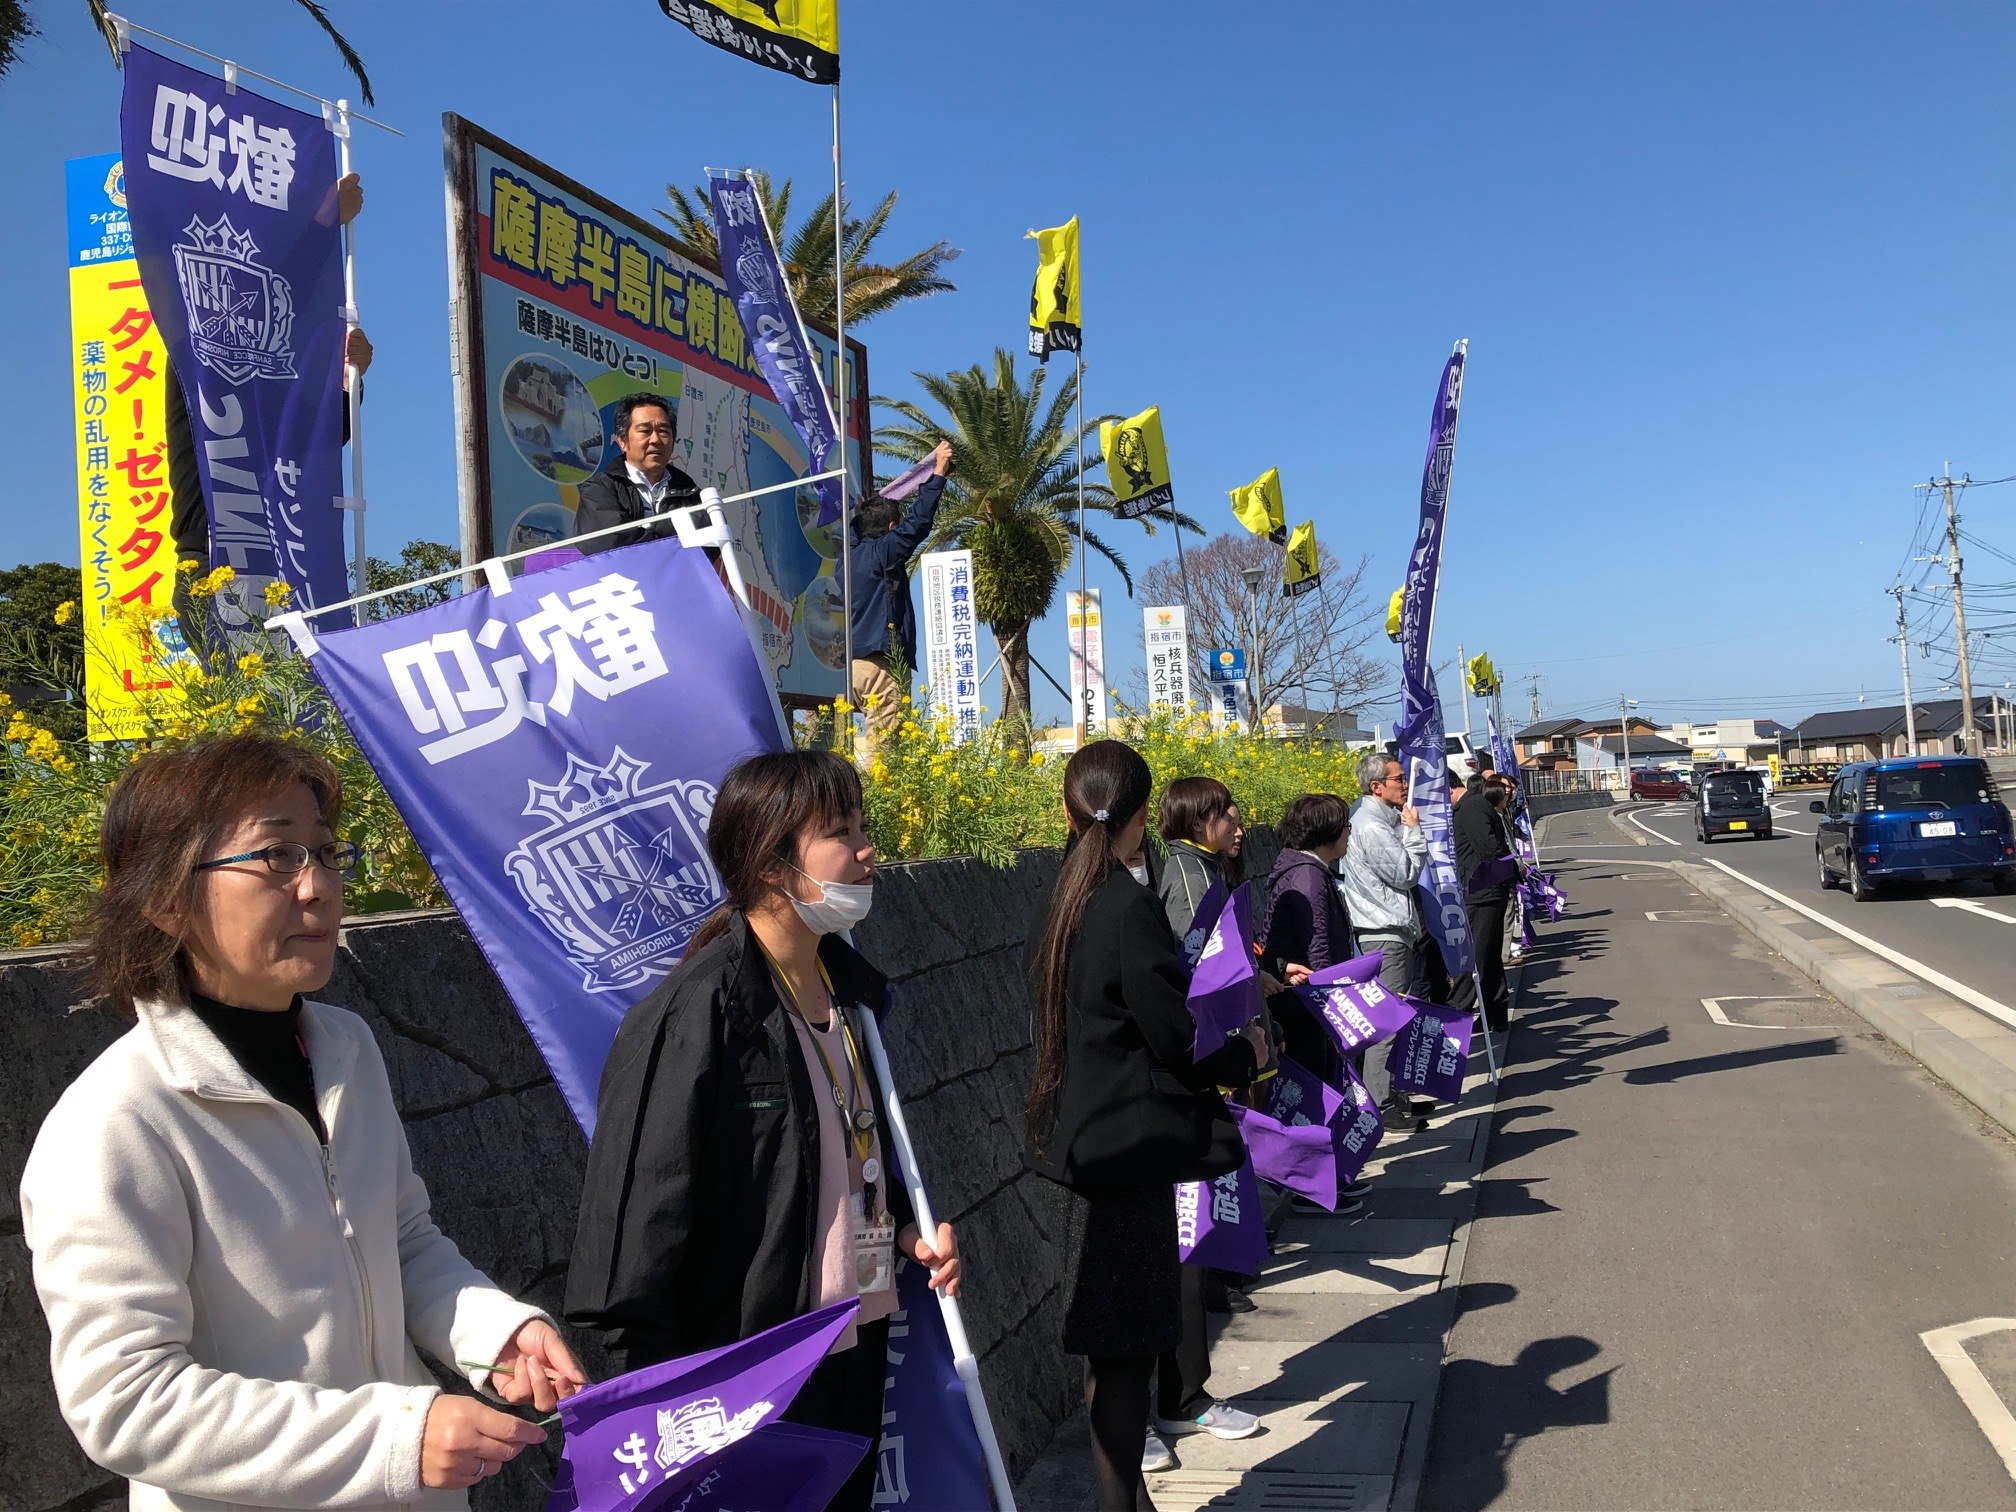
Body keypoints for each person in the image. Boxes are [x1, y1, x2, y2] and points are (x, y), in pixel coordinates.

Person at [20, 733, 584, 1509]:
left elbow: (403, 1240)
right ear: (164, 899)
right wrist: (396, 1438)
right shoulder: (118, 1121)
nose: (316, 886)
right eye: (276, 857)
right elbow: (125, 1403)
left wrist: (495, 1333)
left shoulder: (343, 1048)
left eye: (324, 852)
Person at [566, 750, 959, 1512]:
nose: (867, 849)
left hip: (852, 1343)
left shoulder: (850, 995)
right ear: (773, 866)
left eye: (864, 826)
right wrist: (661, 1415)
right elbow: (632, 1246)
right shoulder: (697, 1015)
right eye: (841, 832)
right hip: (750, 1377)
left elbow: (842, 1160)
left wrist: (909, 1233)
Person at [1026, 740, 1268, 1511]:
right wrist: (1246, 1053)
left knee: (1109, 1348)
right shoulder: (1127, 907)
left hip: (1084, 1146)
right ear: (1139, 819)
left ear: (1070, 812)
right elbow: (1178, 1039)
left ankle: (1127, 1497)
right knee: (1128, 1354)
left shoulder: (1066, 892)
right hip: (1131, 1154)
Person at [1340, 750, 1430, 1132]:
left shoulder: (1377, 819)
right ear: (1377, 786)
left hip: (1389, 928)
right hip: (1383, 931)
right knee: (1387, 1020)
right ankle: (1381, 1103)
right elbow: (1405, 872)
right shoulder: (1372, 825)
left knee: (1396, 1013)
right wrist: (1413, 831)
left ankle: (1395, 1093)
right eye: (1398, 779)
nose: (1405, 784)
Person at [846, 439, 953, 759]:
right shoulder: (882, 554)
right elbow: (918, 525)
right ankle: (879, 809)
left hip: (852, 667)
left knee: (864, 745)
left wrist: (861, 511)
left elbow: (859, 527)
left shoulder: (848, 558)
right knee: (887, 754)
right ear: (891, 528)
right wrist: (938, 477)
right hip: (881, 666)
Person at [573, 391, 702, 553]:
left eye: (663, 431)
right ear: (622, 441)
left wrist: (644, 534)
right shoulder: (599, 489)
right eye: (645, 430)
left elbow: (708, 545)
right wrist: (670, 542)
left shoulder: (693, 495)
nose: (655, 439)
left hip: (677, 578)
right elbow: (608, 541)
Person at [1453, 770, 1518, 1032]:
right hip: (1486, 889)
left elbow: (1489, 848)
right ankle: (1495, 1015)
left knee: (1475, 956)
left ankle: (1456, 1015)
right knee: (1488, 956)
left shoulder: (1471, 807)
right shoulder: (1474, 805)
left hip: (1483, 891)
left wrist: (1503, 876)